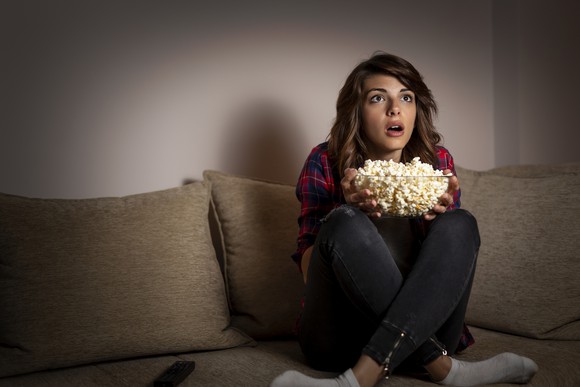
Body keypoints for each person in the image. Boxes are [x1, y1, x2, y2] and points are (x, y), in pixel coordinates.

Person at [270, 52, 538, 387]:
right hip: (338, 339)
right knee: (343, 220)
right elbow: (310, 271)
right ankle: (443, 368)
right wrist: (347, 211)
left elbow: (448, 274)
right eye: (378, 98)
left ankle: (358, 379)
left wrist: (438, 214)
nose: (394, 109)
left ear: (416, 110)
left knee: (460, 223)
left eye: (406, 98)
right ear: (356, 110)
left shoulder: (438, 162)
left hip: (427, 326)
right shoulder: (324, 160)